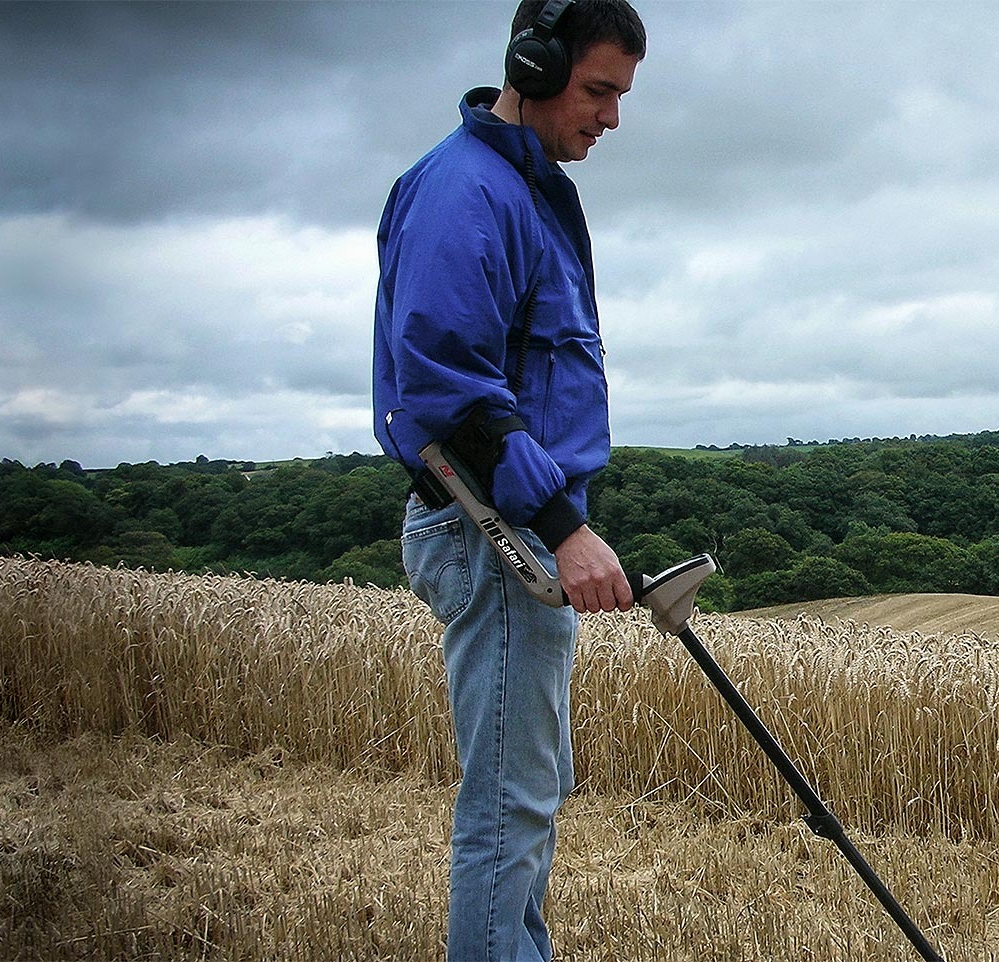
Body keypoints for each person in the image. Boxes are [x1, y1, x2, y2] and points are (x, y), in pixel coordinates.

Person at [371, 1, 644, 958]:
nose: (611, 117)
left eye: (620, 96)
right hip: (490, 529)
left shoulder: (521, 190)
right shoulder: (466, 191)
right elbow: (448, 394)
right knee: (507, 808)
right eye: (598, 90)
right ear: (532, 64)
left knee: (529, 794)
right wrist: (564, 526)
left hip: (514, 524)